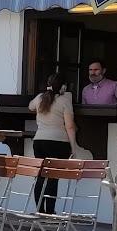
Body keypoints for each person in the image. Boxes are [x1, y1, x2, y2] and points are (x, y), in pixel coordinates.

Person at [28, 74, 81, 213]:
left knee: (41, 177)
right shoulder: (64, 101)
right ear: (63, 87)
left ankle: (39, 210)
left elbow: (30, 107)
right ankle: (50, 212)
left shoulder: (40, 98)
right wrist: (73, 147)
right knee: (53, 178)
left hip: (39, 141)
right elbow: (69, 126)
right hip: (58, 143)